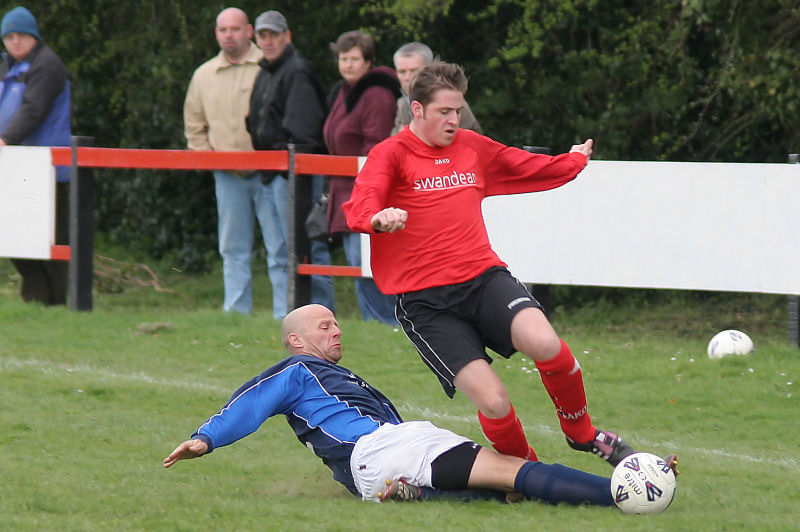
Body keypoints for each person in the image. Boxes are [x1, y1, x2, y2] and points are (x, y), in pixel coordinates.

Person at [343, 62, 634, 467]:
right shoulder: (390, 154)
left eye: (457, 110)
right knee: (495, 401)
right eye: (444, 111)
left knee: (547, 343)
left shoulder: (471, 146)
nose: (453, 119)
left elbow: (524, 165)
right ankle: (526, 473)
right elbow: (363, 203)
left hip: (482, 279)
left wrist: (572, 162)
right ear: (418, 110)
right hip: (426, 304)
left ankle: (582, 433)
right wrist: (377, 219)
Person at [164, 304, 666, 507]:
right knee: (512, 474)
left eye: (337, 323)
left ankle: (414, 495)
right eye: (324, 326)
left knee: (505, 491)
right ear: (295, 339)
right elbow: (250, 404)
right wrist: (205, 439)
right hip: (384, 450)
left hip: (378, 462)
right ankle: (622, 492)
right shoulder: (295, 371)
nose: (336, 330)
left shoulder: (325, 377)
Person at [184, 7, 294, 318]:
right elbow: (194, 123)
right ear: (216, 34)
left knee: (280, 248)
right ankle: (236, 312)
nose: (229, 35)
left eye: (235, 29)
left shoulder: (268, 66)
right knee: (232, 248)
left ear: (248, 31)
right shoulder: (203, 74)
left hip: (268, 173)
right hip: (227, 175)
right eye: (223, 30)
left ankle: (284, 315)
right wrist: (205, 156)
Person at [244, 10, 335, 314]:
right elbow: (257, 122)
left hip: (295, 174)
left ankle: (321, 315)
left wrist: (288, 160)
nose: (268, 41)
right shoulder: (267, 71)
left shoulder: (296, 70)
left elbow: (304, 129)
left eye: (273, 34)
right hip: (272, 171)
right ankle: (287, 316)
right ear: (255, 38)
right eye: (262, 35)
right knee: (280, 251)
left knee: (306, 247)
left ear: (287, 36)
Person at [323, 30, 400, 325]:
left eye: (355, 59)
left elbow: (376, 147)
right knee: (357, 264)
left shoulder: (377, 95)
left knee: (368, 263)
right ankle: (374, 323)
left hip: (366, 190)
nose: (348, 65)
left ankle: (389, 322)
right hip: (342, 187)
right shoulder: (344, 91)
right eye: (344, 58)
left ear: (368, 61)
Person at [0, 6, 71, 305]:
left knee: (52, 240)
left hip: (49, 168)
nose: (15, 41)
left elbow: (33, 109)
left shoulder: (47, 64)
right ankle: (39, 302)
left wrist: (4, 139)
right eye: (9, 36)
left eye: (22, 36)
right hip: (17, 165)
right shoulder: (7, 65)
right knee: (16, 237)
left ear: (34, 37)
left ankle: (54, 305)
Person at [391, 42, 481, 136]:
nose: (407, 77)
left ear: (429, 70)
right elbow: (393, 139)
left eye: (414, 71)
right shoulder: (402, 104)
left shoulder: (452, 101)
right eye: (402, 72)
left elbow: (475, 138)